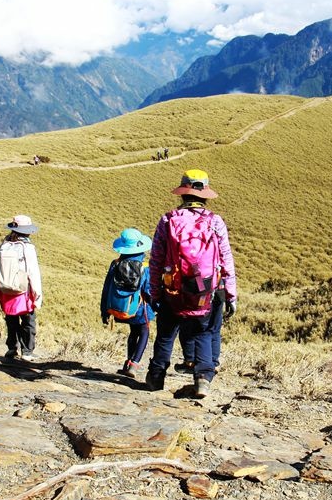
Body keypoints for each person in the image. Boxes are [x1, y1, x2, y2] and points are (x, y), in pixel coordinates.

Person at [146, 169, 237, 398]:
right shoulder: (215, 221)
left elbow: (156, 259)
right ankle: (203, 379)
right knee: (204, 333)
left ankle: (156, 377)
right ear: (204, 195)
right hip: (206, 289)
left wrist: (155, 293)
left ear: (183, 193)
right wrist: (231, 294)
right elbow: (226, 259)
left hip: (172, 289)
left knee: (166, 333)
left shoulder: (168, 220)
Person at [100, 228, 156, 378]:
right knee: (144, 331)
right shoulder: (144, 267)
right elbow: (148, 290)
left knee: (133, 333)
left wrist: (104, 310)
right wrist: (156, 306)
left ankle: (127, 363)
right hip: (140, 307)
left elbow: (106, 288)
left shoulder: (115, 264)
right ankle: (134, 364)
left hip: (123, 306)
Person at [0, 215, 43, 362]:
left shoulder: (4, 245)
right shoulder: (28, 248)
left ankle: (12, 348)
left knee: (11, 319)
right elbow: (33, 272)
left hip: (5, 290)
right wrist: (37, 295)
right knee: (28, 320)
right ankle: (27, 351)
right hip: (23, 291)